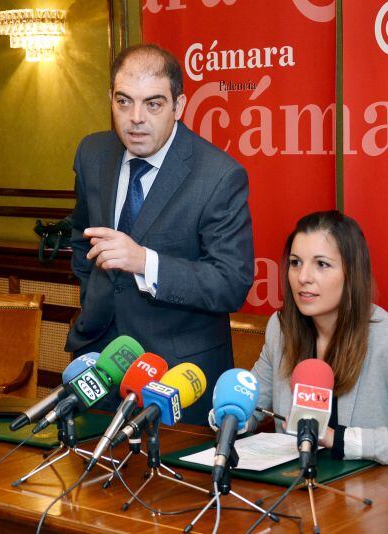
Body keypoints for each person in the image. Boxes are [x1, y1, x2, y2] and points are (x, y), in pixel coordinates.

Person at [66, 44, 254, 425]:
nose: (135, 119)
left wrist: (144, 262)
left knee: (172, 486)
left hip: (179, 374)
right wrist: (93, 300)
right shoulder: (92, 153)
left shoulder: (218, 176)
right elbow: (79, 236)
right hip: (101, 361)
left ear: (179, 106)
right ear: (111, 100)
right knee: (89, 478)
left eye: (152, 104)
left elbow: (231, 283)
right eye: (124, 102)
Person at [247, 211, 388, 464]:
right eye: (295, 262)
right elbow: (250, 408)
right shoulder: (280, 329)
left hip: (366, 496)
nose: (303, 277)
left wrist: (340, 439)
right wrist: (229, 419)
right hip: (294, 491)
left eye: (321, 264)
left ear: (352, 273)